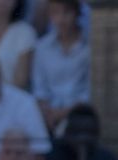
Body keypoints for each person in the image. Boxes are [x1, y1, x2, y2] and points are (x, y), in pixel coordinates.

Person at [32, 0, 88, 133]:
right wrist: (48, 115)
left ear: (77, 13)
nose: (61, 19)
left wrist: (64, 114)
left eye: (66, 12)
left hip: (81, 117)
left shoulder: (91, 47)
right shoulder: (42, 47)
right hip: (48, 118)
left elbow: (89, 91)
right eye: (55, 13)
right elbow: (40, 90)